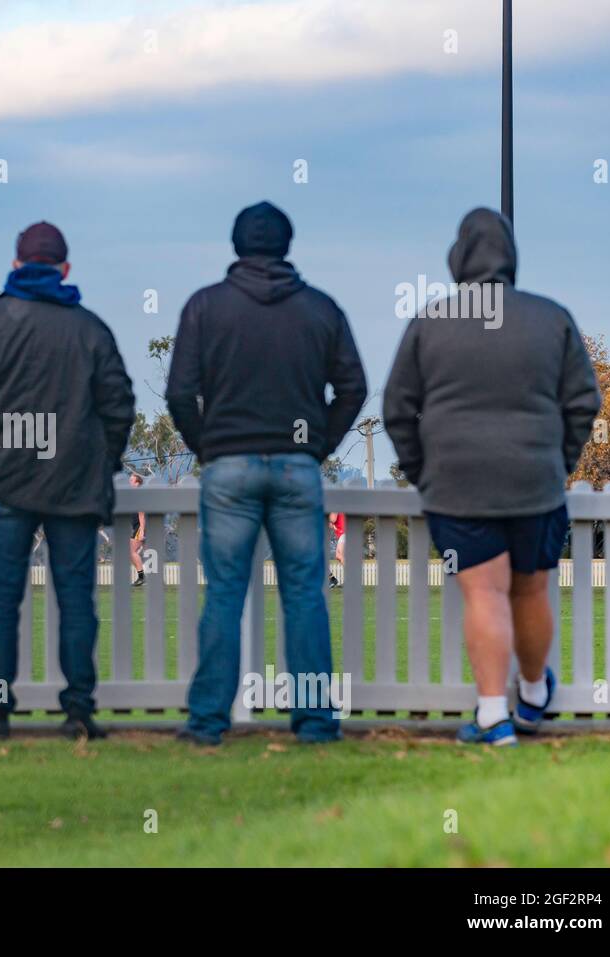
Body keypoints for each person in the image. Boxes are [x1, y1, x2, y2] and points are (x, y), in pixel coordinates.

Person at [383, 208, 600, 746]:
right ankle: (531, 696)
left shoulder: (429, 322)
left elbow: (396, 409)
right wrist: (558, 461)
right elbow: (583, 402)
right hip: (535, 481)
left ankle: (491, 716)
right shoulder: (552, 318)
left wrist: (423, 471)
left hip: (457, 485)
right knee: (530, 590)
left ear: (457, 258)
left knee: (484, 593)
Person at [166, 201, 367, 746]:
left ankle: (208, 722)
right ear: (286, 245)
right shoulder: (320, 309)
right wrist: (318, 444)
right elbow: (353, 388)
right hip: (297, 465)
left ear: (236, 245)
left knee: (225, 593)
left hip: (229, 464)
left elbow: (181, 392)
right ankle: (315, 723)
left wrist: (209, 446)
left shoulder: (205, 308)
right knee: (304, 593)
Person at [0, 221, 135, 740]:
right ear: (65, 269)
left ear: (15, 265)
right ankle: (77, 711)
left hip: (5, 483)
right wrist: (102, 463)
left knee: (2, 598)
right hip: (74, 484)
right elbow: (119, 405)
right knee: (76, 600)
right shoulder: (89, 329)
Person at [128, 473, 146, 586]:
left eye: (131, 480)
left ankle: (141, 577)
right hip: (137, 526)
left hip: (140, 526)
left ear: (137, 483)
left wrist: (142, 531)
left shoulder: (139, 494)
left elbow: (142, 514)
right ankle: (143, 577)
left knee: (131, 551)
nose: (129, 482)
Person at [327, 511, 345, 587]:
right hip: (343, 532)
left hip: (344, 532)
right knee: (340, 556)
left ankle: (352, 578)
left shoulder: (334, 508)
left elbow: (332, 520)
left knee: (339, 555)